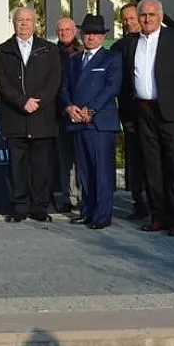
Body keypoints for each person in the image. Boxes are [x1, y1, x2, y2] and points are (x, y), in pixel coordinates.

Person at [120, 0, 174, 237]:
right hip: (143, 112)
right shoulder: (132, 43)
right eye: (143, 15)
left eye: (151, 15)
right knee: (152, 167)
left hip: (171, 112)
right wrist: (129, 116)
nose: (146, 19)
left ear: (160, 16)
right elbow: (126, 83)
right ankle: (158, 216)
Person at [0, 7, 61, 223]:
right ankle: (19, 207)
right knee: (17, 166)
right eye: (19, 20)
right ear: (13, 23)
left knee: (41, 166)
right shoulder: (2, 50)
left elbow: (54, 81)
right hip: (15, 117)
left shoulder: (49, 50)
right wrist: (22, 102)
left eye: (28, 20)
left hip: (42, 117)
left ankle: (40, 207)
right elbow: (1, 82)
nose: (24, 23)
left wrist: (37, 102)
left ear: (35, 23)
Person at [59, 15, 121, 230]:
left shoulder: (111, 58)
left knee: (101, 171)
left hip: (99, 123)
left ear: (103, 36)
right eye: (87, 33)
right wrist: (69, 107)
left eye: (95, 33)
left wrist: (91, 109)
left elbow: (111, 88)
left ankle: (102, 215)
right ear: (82, 35)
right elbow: (64, 87)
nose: (91, 37)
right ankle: (87, 211)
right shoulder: (74, 60)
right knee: (83, 171)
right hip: (77, 121)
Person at [112, 2, 147, 220]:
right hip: (131, 114)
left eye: (132, 18)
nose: (128, 22)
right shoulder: (118, 47)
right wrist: (126, 118)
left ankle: (158, 203)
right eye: (125, 19)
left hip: (155, 113)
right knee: (135, 161)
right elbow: (120, 87)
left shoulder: (153, 43)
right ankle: (139, 203)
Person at [53, 17, 83, 214]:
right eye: (61, 30)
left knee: (81, 159)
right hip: (58, 112)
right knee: (64, 159)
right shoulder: (51, 53)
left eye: (67, 29)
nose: (64, 33)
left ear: (74, 31)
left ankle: (82, 197)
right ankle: (68, 197)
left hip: (80, 112)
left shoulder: (82, 53)